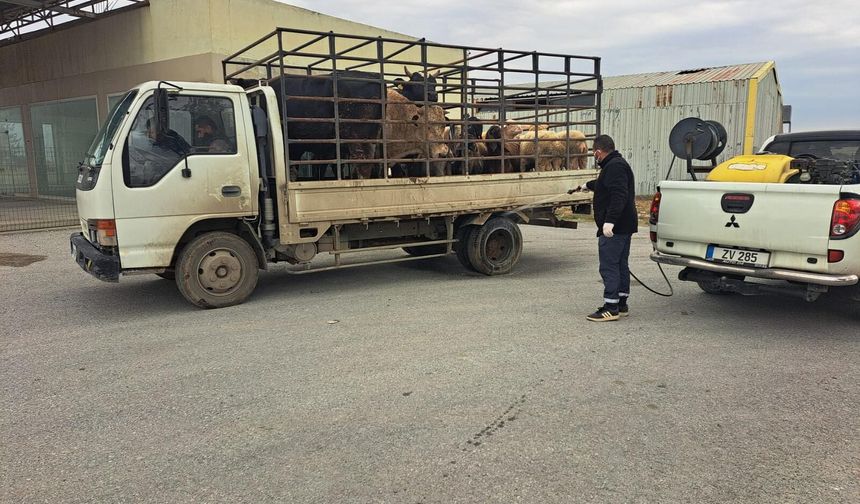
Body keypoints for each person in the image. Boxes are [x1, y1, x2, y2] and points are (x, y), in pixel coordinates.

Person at [582, 134, 638, 322]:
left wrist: (610, 221)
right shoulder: (616, 165)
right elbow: (606, 185)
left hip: (615, 228)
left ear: (598, 152)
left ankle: (611, 307)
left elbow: (618, 194)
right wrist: (587, 185)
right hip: (624, 226)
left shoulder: (614, 167)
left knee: (609, 266)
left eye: (593, 153)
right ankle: (621, 304)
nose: (594, 157)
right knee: (620, 264)